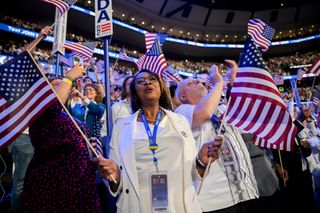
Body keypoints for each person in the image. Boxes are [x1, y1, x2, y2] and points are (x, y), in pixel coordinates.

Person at [94, 69, 222, 213]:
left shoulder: (180, 121)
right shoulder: (121, 127)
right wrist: (114, 174)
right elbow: (117, 181)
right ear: (135, 93)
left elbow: (193, 174)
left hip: (179, 206)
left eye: (152, 79)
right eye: (140, 81)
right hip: (139, 206)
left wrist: (201, 161)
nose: (147, 82)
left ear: (161, 88)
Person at [175, 61, 259, 213]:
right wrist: (219, 82)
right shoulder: (181, 112)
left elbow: (250, 112)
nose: (199, 82)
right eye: (192, 83)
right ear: (182, 95)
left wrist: (233, 78)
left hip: (246, 190)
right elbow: (204, 114)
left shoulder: (221, 108)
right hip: (217, 201)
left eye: (199, 80)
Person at [20, 64, 101, 212]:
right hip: (53, 181)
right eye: (56, 85)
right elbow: (53, 104)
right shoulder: (42, 110)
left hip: (78, 180)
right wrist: (69, 77)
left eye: (64, 85)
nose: (65, 87)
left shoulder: (67, 113)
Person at [6, 25, 51, 213]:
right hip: (22, 137)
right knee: (21, 183)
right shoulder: (15, 81)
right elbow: (24, 55)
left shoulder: (35, 86)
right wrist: (40, 36)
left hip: (35, 137)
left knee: (32, 182)